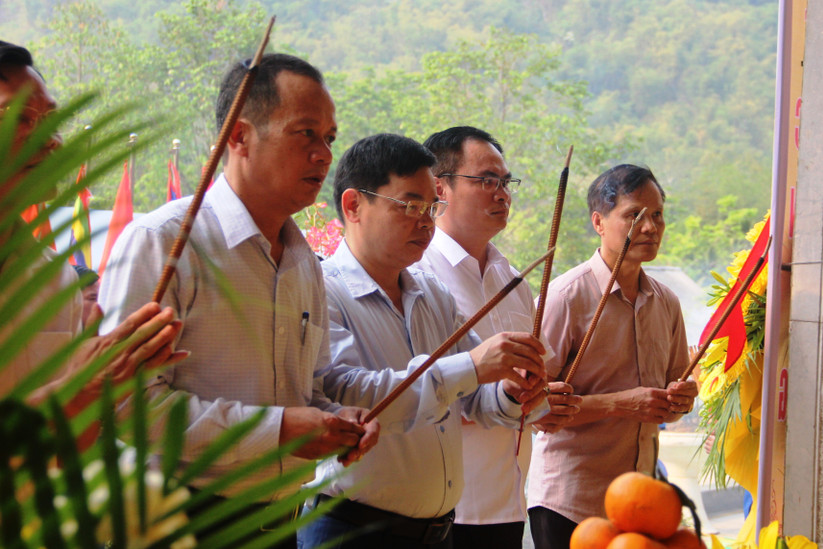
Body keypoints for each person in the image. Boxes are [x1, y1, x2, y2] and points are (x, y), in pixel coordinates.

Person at [98, 54, 379, 547]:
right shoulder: (164, 243)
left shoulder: (304, 264)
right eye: (305, 133)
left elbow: (306, 393)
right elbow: (126, 405)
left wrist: (335, 422)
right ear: (239, 136)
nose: (324, 155)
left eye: (329, 138)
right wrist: (281, 429)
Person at [298, 133, 548, 549]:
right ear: (353, 205)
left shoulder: (432, 294)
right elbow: (352, 396)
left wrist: (511, 390)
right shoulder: (322, 291)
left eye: (432, 207)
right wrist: (473, 367)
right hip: (353, 530)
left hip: (437, 532)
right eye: (411, 206)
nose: (426, 221)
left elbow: (476, 398)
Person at [413, 126, 581, 549]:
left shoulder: (515, 281)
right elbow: (410, 392)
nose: (502, 193)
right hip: (445, 508)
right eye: (486, 180)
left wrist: (540, 404)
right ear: (440, 188)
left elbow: (518, 387)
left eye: (506, 182)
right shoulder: (418, 275)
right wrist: (504, 399)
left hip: (507, 504)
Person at [0, 40, 185, 408]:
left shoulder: (55, 279)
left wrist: (105, 384)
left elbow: (70, 446)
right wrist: (76, 388)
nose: (51, 141)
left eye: (52, 121)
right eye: (19, 118)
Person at [526, 164, 699, 548]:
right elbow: (533, 409)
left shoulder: (666, 302)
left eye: (657, 215)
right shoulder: (565, 297)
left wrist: (680, 399)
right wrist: (620, 404)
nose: (651, 227)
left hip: (640, 506)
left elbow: (672, 395)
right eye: (634, 215)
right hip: (570, 500)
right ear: (599, 222)